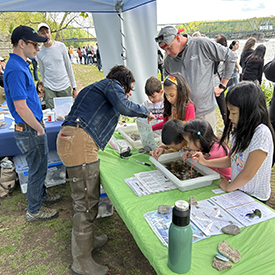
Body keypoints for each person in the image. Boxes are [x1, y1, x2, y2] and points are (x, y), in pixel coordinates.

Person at [56, 65, 155, 275]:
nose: (129, 93)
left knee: (88, 198)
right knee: (85, 203)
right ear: (124, 81)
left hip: (73, 139)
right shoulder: (112, 85)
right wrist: (145, 111)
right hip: (79, 143)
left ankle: (88, 242)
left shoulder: (97, 88)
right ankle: (81, 262)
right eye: (130, 88)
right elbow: (125, 106)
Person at [3, 25, 62, 221]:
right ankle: (34, 210)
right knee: (37, 169)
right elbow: (20, 107)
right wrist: (38, 128)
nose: (38, 49)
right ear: (22, 43)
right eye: (35, 44)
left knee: (40, 165)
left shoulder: (21, 64)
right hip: (30, 129)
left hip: (32, 126)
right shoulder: (16, 70)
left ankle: (41, 195)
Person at [193, 81, 275, 203]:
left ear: (250, 111)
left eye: (234, 112)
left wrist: (229, 187)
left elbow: (248, 173)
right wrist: (204, 162)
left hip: (254, 197)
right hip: (238, 191)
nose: (230, 116)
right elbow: (233, 160)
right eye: (229, 112)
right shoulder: (239, 129)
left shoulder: (261, 134)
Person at [155, 26, 236, 134]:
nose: (167, 53)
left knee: (207, 146)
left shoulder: (201, 44)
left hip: (204, 112)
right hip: (183, 114)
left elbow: (230, 56)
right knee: (189, 148)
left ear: (178, 38)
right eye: (164, 50)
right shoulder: (169, 61)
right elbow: (168, 85)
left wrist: (223, 85)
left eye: (169, 48)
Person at [150, 119, 231, 180]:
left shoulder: (215, 153)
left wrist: (195, 156)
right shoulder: (208, 143)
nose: (187, 146)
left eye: (188, 142)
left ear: (198, 141)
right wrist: (192, 152)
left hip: (225, 180)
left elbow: (204, 171)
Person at [37, 23, 78, 109]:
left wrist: (74, 87)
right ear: (39, 35)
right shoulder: (39, 51)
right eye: (43, 33)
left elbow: (68, 67)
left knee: (67, 114)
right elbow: (42, 71)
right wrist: (45, 87)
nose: (46, 35)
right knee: (52, 115)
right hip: (50, 88)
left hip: (64, 86)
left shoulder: (60, 46)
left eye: (47, 32)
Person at [213, 34, 228, 123]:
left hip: (215, 84)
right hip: (223, 83)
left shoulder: (216, 56)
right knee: (223, 108)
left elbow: (213, 73)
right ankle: (227, 126)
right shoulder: (227, 54)